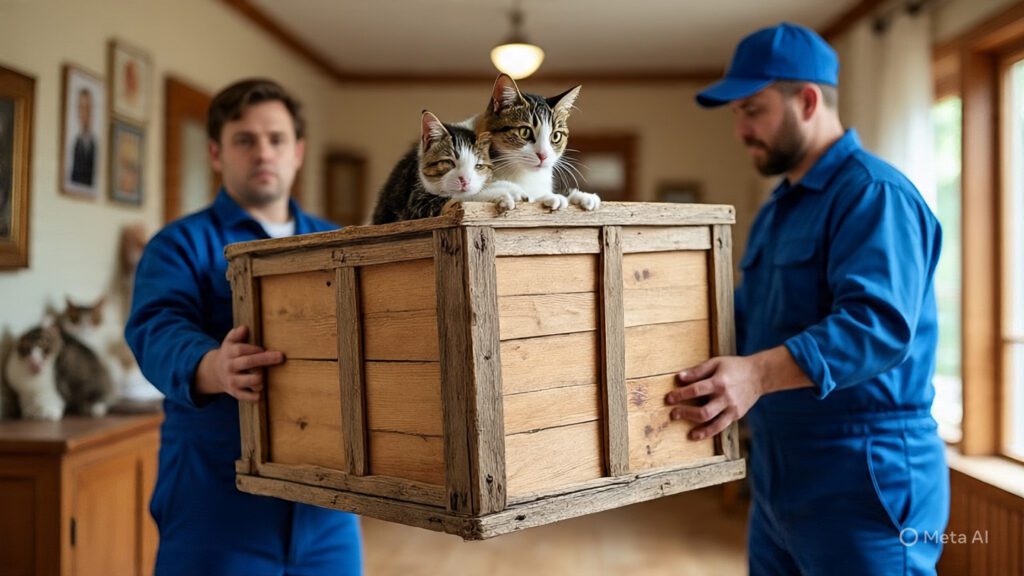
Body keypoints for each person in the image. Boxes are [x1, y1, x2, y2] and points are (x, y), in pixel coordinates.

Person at [666, 23, 948, 575]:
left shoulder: (875, 194)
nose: (741, 130)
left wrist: (755, 375)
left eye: (753, 110)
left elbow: (877, 326)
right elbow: (749, 316)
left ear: (809, 101)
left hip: (866, 472)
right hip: (779, 471)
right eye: (737, 114)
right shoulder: (780, 207)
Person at [125, 79, 362, 574]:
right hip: (215, 503)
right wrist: (214, 366)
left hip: (329, 514)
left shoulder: (341, 242)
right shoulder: (179, 243)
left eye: (276, 139)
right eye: (245, 140)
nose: (263, 152)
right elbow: (157, 327)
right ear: (216, 153)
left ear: (298, 151)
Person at [69, 88, 96, 187]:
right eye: (82, 108)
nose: (85, 113)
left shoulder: (95, 144)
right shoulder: (74, 143)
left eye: (88, 108)